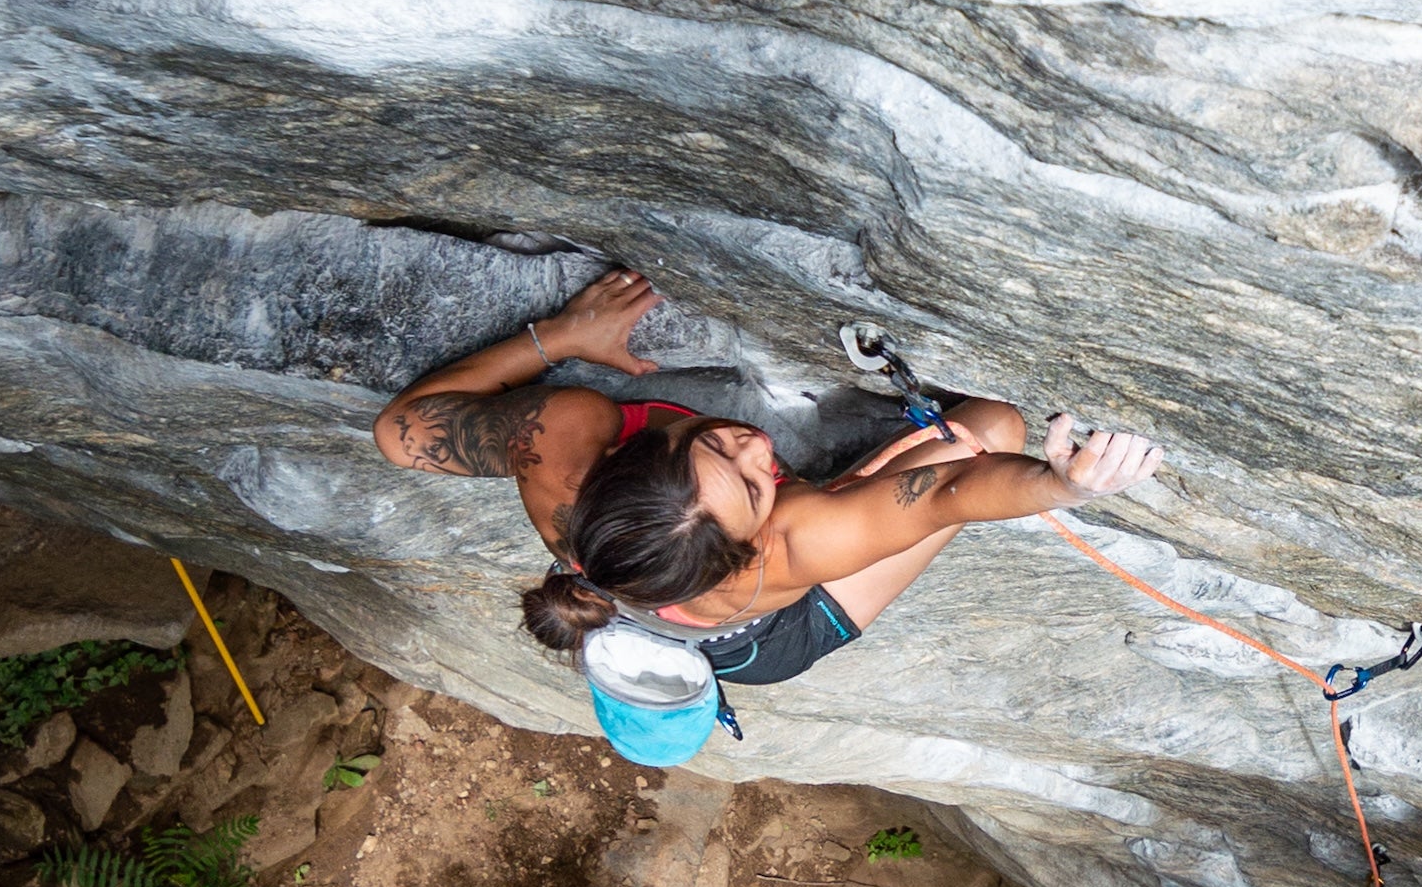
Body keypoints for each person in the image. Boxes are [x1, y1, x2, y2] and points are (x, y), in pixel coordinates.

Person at [371, 269, 1164, 695]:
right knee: (990, 431)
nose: (756, 448)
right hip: (767, 639)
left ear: (622, 457)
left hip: (641, 588)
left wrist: (560, 337)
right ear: (759, 534)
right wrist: (1061, 487)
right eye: (757, 486)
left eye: (715, 445)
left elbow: (398, 431)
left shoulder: (560, 445)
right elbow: (958, 489)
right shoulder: (794, 544)